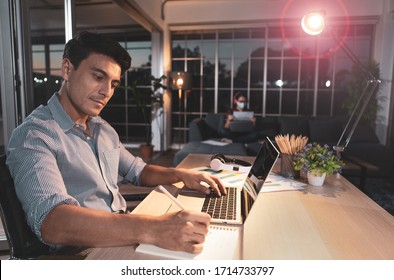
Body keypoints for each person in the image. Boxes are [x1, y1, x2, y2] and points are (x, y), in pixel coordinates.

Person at [6, 31, 226, 254]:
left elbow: (139, 171)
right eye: (98, 77)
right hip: (84, 254)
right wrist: (153, 229)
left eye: (114, 84)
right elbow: (53, 222)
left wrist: (182, 175)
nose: (107, 92)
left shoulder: (103, 129)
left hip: (123, 233)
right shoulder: (35, 135)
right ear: (67, 69)